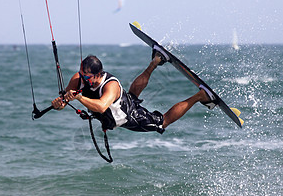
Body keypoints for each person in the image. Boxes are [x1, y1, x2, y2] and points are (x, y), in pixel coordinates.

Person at [52, 51, 216, 134]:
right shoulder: (78, 78)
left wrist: (79, 97)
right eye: (81, 74)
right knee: (132, 94)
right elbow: (64, 102)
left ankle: (200, 96)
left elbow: (101, 107)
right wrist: (59, 104)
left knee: (162, 122)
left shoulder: (110, 86)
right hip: (122, 101)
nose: (82, 79)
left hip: (126, 114)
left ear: (98, 74)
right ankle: (156, 60)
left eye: (86, 77)